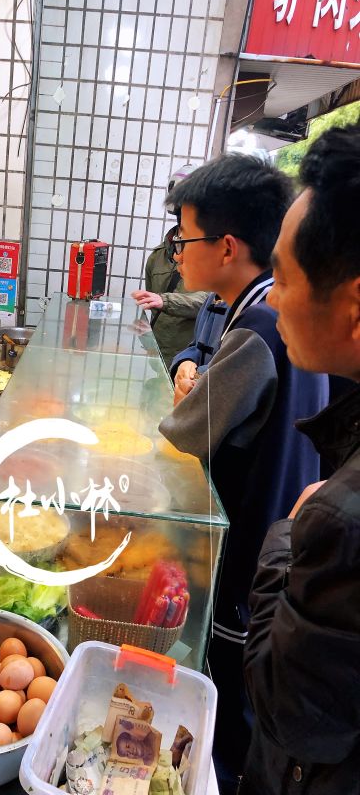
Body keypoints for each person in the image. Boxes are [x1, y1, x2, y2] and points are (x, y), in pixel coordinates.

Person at [156, 154, 329, 794]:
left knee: (231, 705)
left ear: (227, 247)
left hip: (253, 545)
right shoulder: (271, 311)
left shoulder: (259, 322)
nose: (177, 251)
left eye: (184, 237)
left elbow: (184, 433)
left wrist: (183, 404)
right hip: (282, 529)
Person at [241, 125, 360, 794]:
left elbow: (286, 708)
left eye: (282, 277)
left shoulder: (340, 522)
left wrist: (289, 533)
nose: (274, 297)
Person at [132, 165, 208, 367]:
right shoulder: (157, 257)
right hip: (157, 357)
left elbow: (209, 301)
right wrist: (146, 337)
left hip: (190, 362)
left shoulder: (210, 258)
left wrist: (164, 301)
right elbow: (152, 304)